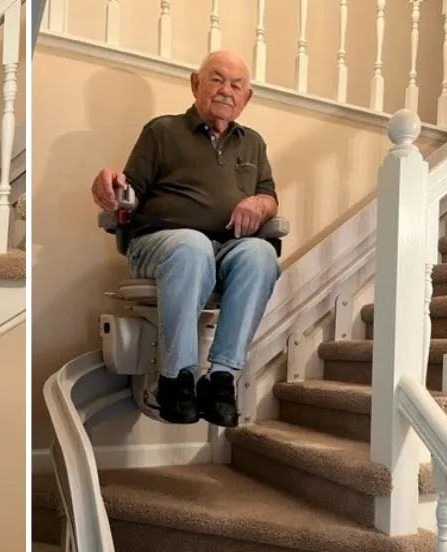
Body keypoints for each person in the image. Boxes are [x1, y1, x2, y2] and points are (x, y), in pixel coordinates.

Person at [90, 50, 281, 427]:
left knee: (261, 254)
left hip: (228, 249)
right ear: (196, 83)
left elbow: (270, 197)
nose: (226, 90)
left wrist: (261, 203)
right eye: (217, 79)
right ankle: (175, 378)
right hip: (159, 244)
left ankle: (221, 378)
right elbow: (131, 195)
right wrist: (111, 186)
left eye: (236, 84)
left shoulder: (253, 144)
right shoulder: (161, 131)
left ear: (247, 97)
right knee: (192, 245)